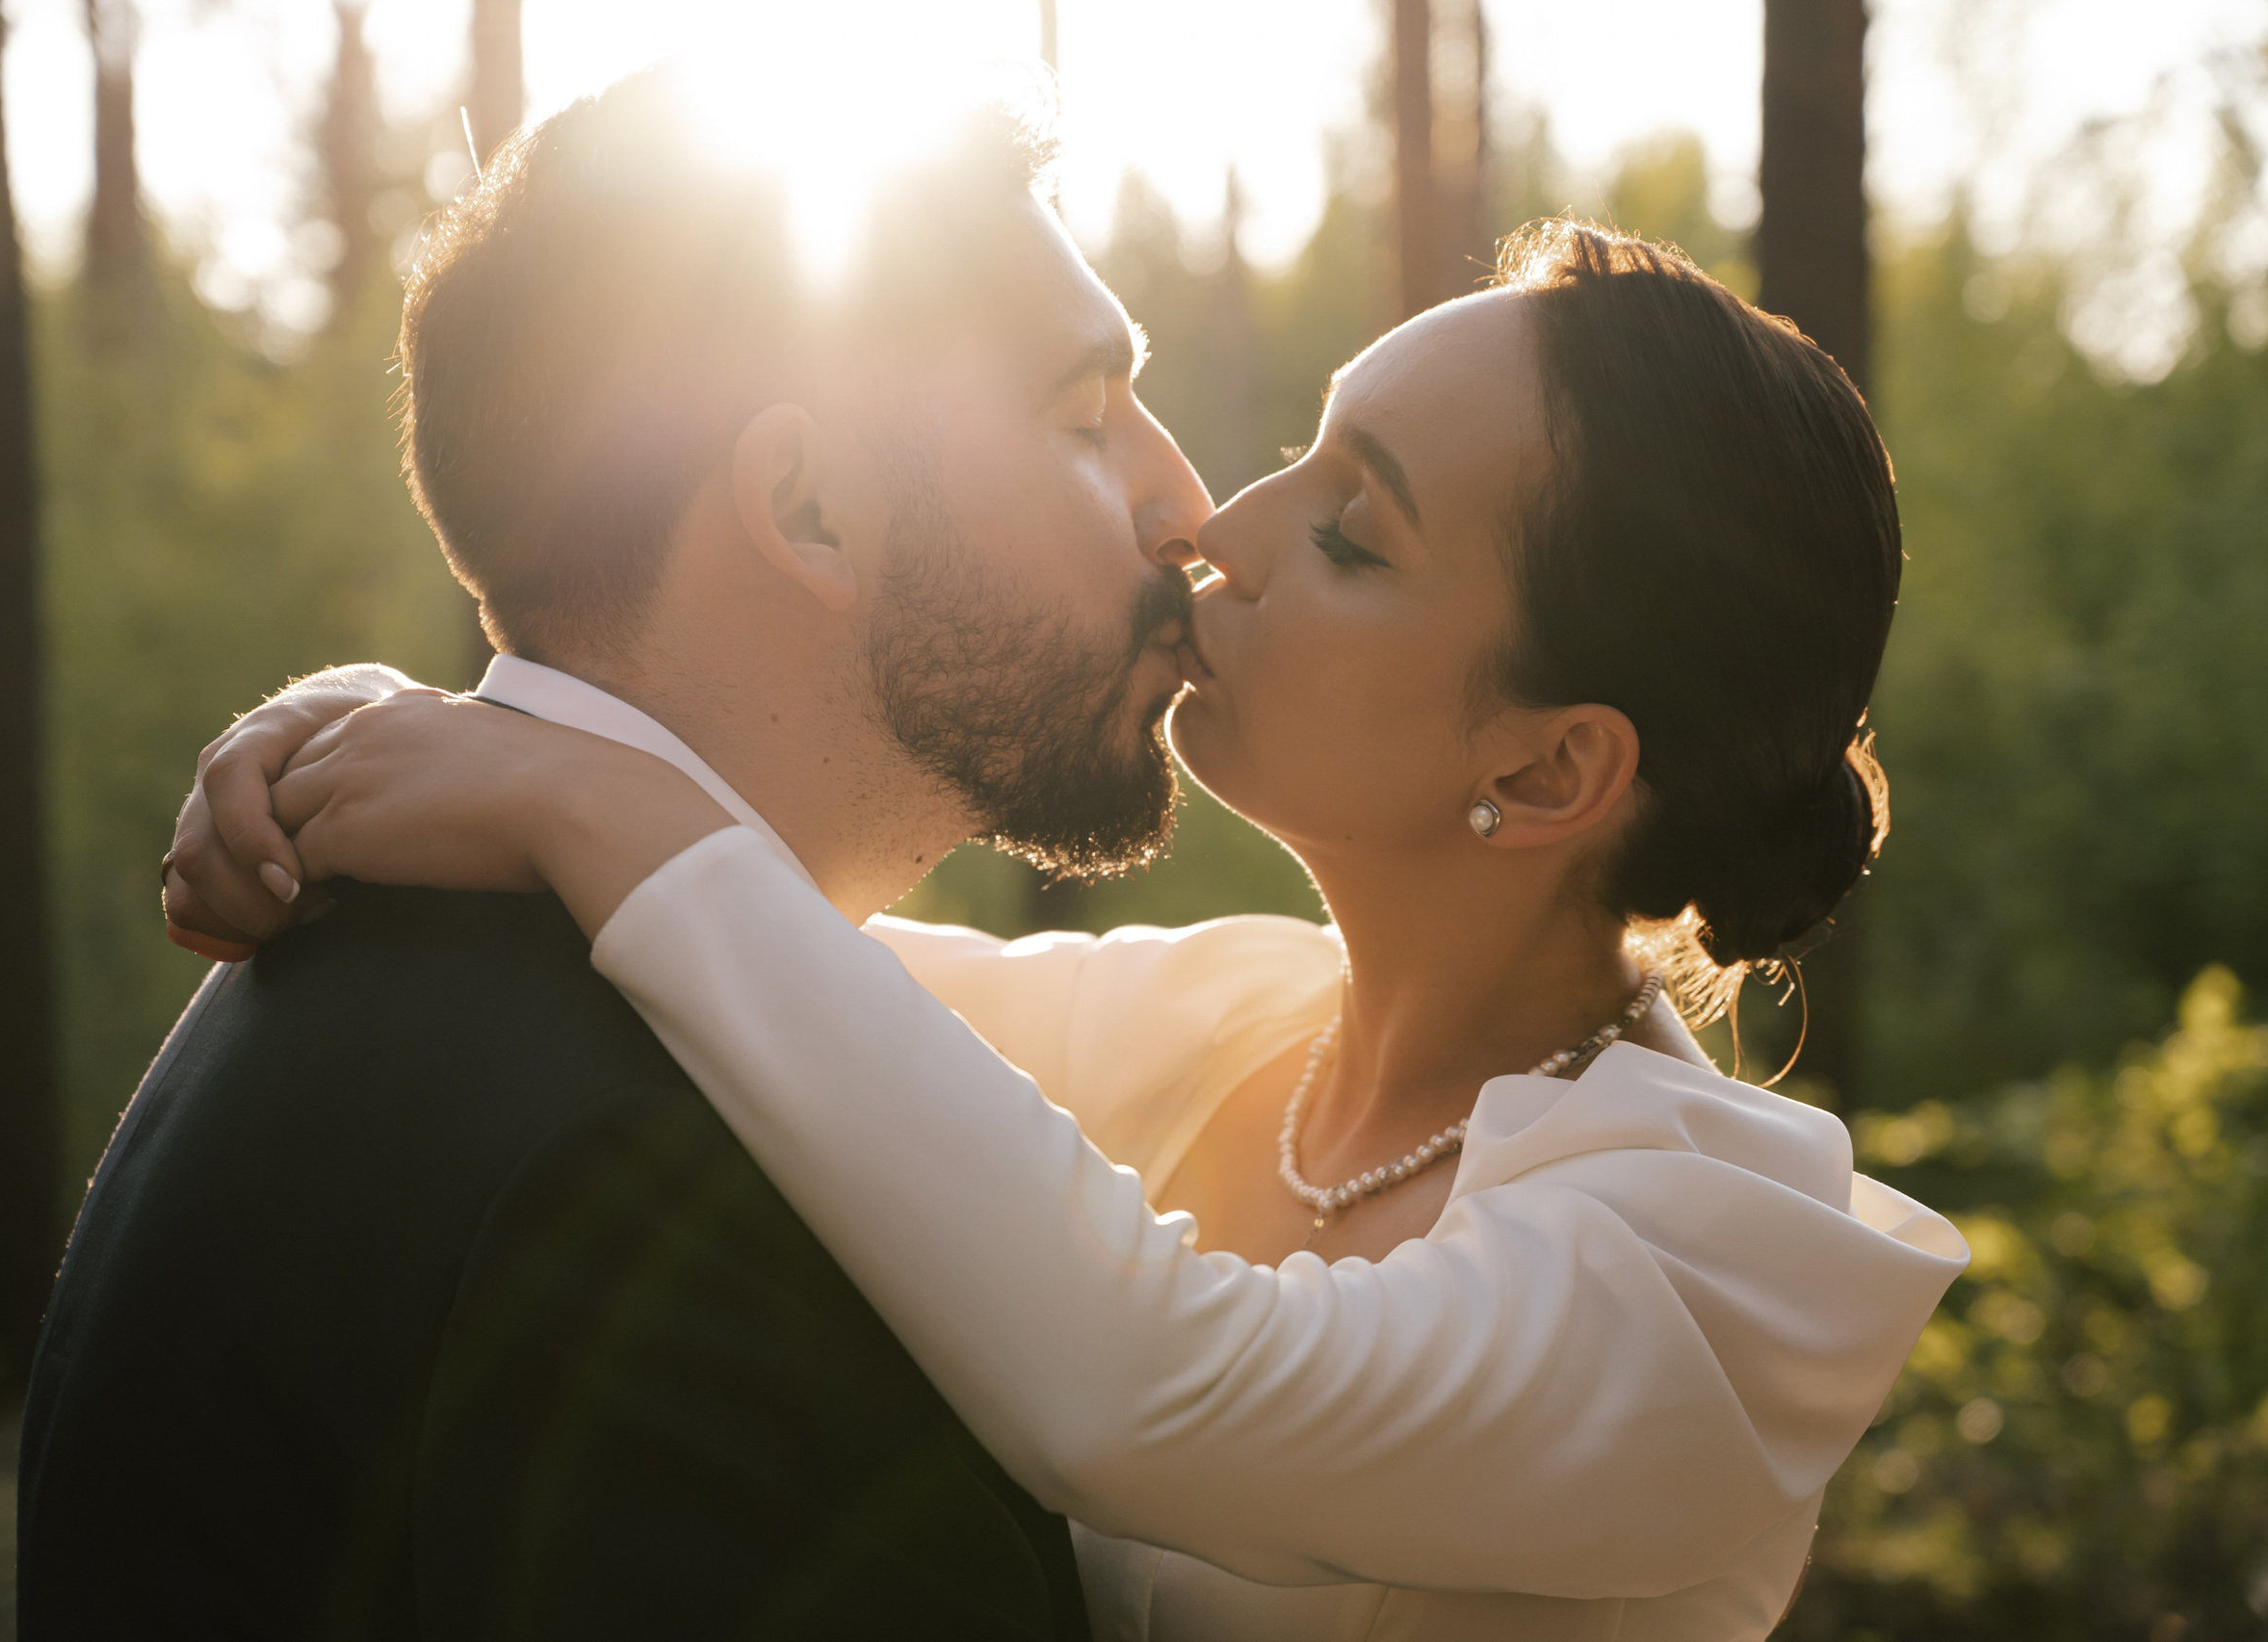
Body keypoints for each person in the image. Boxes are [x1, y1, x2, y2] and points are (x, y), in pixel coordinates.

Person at [165, 197, 1968, 1641]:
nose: (1218, 525)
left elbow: (1152, 1384)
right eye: (1297, 451)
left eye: (1354, 531)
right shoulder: (1227, 1024)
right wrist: (378, 727)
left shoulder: (1719, 1266)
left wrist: (575, 790)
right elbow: (758, 972)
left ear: (1554, 764)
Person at [17, 70, 1206, 1640]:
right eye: (1084, 417)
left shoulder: (371, 962)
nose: (1186, 503)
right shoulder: (645, 1187)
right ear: (810, 507)